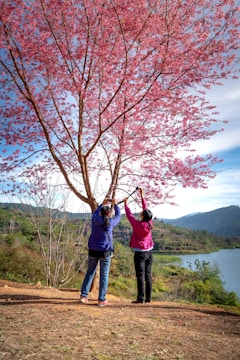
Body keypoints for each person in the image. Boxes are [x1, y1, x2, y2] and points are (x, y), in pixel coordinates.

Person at [80, 198, 121, 306]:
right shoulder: (111, 222)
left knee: (89, 273)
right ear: (109, 214)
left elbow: (95, 212)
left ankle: (84, 296)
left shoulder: (95, 219)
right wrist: (115, 205)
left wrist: (101, 204)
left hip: (93, 250)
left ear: (101, 213)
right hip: (105, 252)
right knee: (104, 276)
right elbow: (118, 216)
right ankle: (101, 299)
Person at [124, 188, 154, 303]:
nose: (141, 212)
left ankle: (140, 298)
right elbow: (145, 208)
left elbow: (129, 215)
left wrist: (126, 204)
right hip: (149, 253)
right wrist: (142, 196)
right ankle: (148, 298)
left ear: (142, 216)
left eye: (141, 213)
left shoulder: (137, 224)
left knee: (140, 276)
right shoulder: (149, 223)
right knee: (148, 275)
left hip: (140, 254)